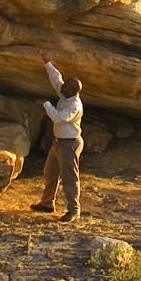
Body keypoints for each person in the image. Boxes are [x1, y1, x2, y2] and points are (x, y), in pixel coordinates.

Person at [31, 59, 84, 221]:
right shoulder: (65, 94)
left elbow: (59, 118)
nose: (62, 88)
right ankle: (47, 203)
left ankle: (74, 210)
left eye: (65, 87)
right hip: (58, 142)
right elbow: (56, 79)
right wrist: (47, 63)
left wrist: (47, 105)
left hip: (69, 144)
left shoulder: (74, 105)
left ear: (73, 91)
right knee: (50, 173)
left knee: (69, 177)